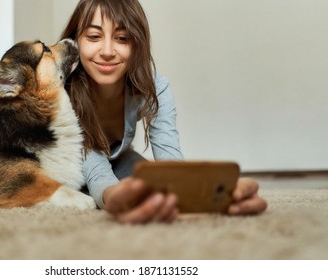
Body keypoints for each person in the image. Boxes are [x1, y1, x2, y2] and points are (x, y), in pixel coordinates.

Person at [60, 0, 267, 224]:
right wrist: (114, 198)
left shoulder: (155, 87)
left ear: (137, 43)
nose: (108, 51)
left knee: (158, 185)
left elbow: (170, 156)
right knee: (111, 190)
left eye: (122, 38)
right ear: (74, 42)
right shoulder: (64, 93)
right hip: (70, 167)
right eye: (93, 37)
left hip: (119, 159)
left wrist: (207, 193)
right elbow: (95, 169)